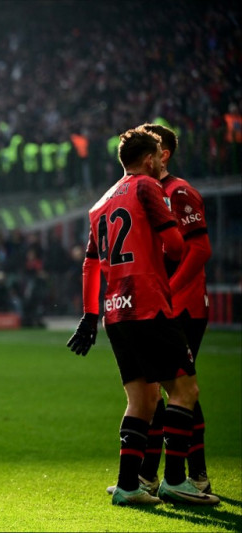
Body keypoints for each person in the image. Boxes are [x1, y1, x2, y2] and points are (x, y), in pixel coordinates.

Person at [67, 126, 218, 506]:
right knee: (185, 390)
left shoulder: (99, 203)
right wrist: (159, 268)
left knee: (142, 399)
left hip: (115, 312)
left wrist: (89, 315)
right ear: (151, 159)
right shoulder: (148, 187)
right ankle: (177, 480)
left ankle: (129, 486)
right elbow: (176, 244)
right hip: (150, 304)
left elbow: (90, 264)